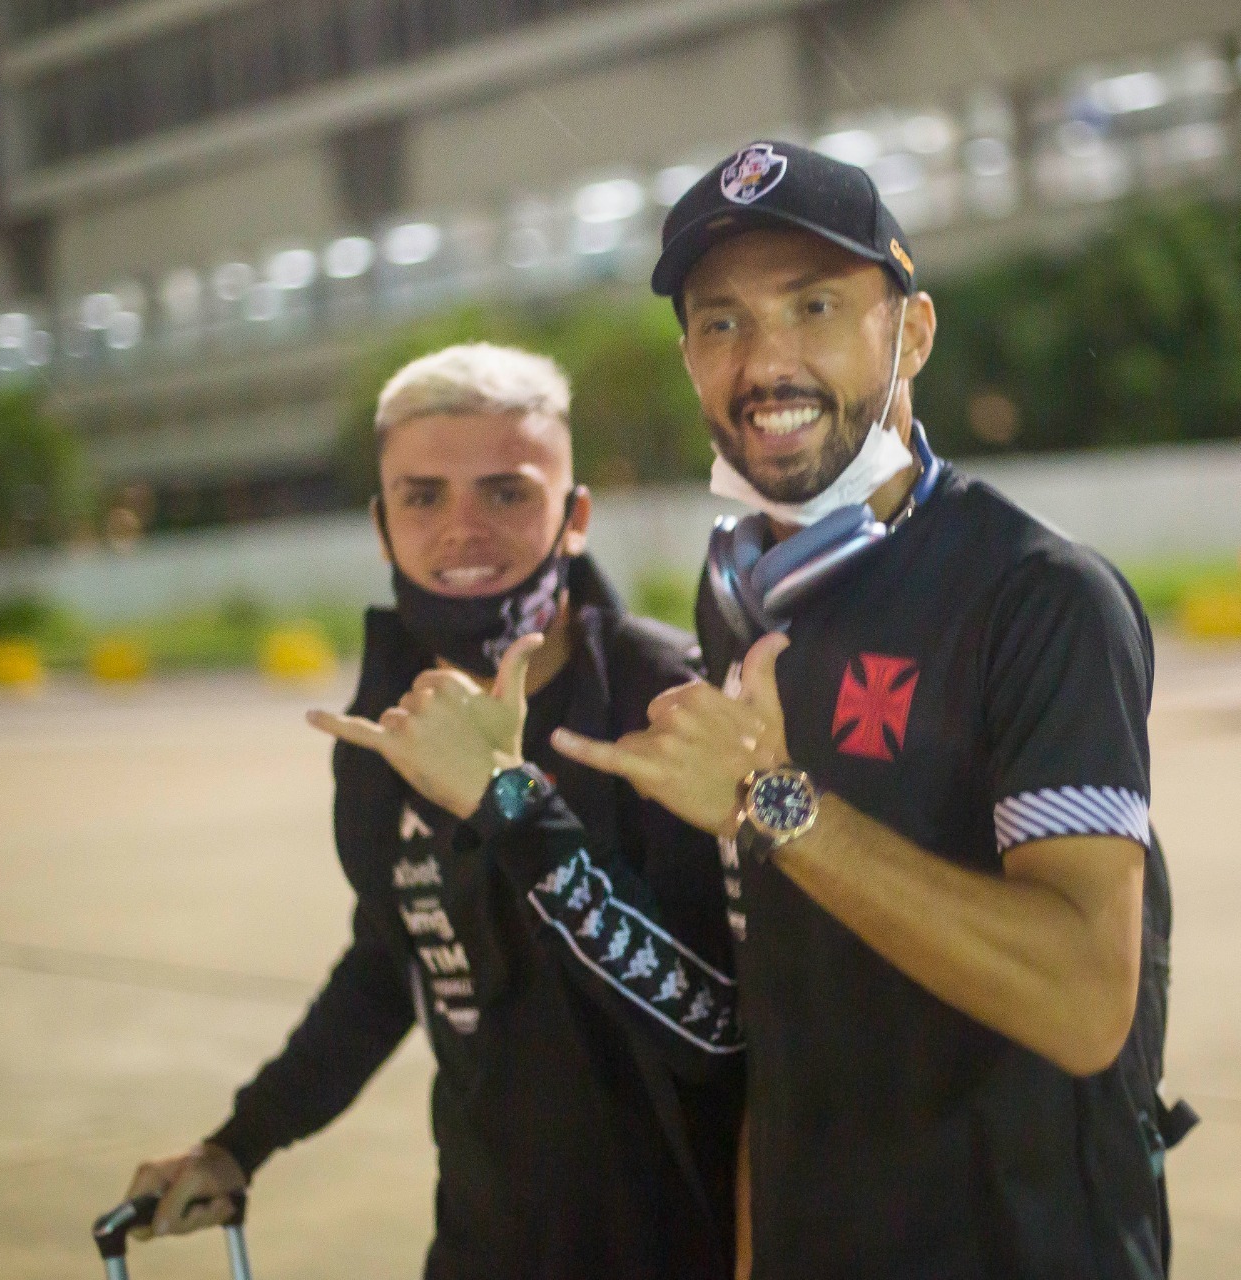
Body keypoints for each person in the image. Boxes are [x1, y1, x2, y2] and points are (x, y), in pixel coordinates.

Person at [551, 142, 1179, 1279]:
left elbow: (1086, 997)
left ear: (912, 333)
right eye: (722, 322)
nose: (765, 362)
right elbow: (783, 997)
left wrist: (774, 803)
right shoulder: (741, 596)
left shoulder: (1040, 597)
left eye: (816, 306)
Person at [122, 342, 743, 1280]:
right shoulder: (387, 733)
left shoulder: (670, 705)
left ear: (574, 517)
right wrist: (240, 1143)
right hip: (482, 1244)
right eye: (422, 497)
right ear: (381, 526)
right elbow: (394, 957)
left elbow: (718, 1027)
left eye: (506, 492)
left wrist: (509, 801)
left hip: (675, 1250)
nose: (464, 530)